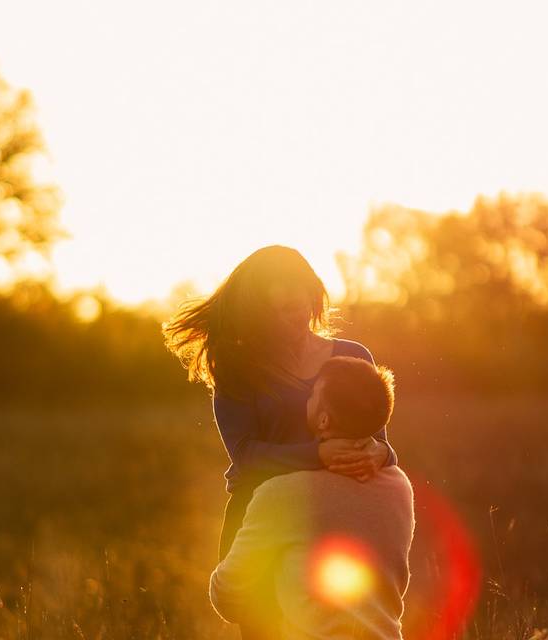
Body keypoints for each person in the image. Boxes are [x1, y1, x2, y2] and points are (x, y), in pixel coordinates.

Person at [162, 245, 398, 637]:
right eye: (277, 309)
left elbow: (376, 439)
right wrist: (318, 454)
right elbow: (246, 456)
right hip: (260, 521)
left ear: (313, 295)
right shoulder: (238, 369)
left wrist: (379, 453)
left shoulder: (352, 356)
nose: (292, 316)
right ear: (256, 311)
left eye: (298, 303)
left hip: (335, 524)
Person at [209, 355, 415, 639]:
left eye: (313, 392)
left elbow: (227, 597)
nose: (306, 397)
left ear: (323, 419)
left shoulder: (280, 494)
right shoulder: (400, 488)